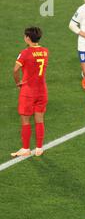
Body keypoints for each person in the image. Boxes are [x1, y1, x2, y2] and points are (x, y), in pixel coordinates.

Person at [11, 27, 49, 157]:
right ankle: (39, 148)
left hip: (28, 91)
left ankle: (26, 149)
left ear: (27, 38)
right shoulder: (45, 51)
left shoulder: (25, 53)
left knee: (25, 120)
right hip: (42, 90)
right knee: (39, 119)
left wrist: (18, 82)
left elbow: (15, 70)